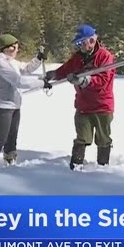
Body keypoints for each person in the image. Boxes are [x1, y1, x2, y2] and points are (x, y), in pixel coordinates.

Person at [44, 24, 115, 170]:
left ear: (92, 41)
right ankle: (75, 168)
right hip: (83, 106)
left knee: (103, 139)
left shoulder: (105, 57)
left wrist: (85, 80)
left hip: (102, 106)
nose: (79, 46)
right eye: (78, 43)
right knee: (82, 137)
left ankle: (103, 168)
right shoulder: (77, 57)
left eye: (81, 42)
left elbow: (103, 80)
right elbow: (66, 69)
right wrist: (54, 74)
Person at [0, 33, 52, 170]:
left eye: (17, 47)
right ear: (5, 48)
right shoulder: (1, 64)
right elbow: (19, 81)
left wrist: (38, 59)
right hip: (2, 107)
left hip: (14, 105)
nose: (16, 50)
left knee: (12, 137)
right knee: (1, 138)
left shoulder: (11, 61)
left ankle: (10, 160)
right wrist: (41, 83)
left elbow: (26, 69)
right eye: (13, 47)